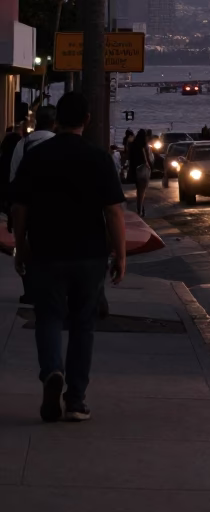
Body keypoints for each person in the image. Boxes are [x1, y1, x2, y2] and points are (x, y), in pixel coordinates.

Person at [10, 91, 126, 423]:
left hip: (46, 251)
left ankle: (51, 372)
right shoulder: (98, 158)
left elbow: (20, 208)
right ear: (87, 120)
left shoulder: (37, 155)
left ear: (57, 119)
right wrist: (121, 254)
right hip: (89, 254)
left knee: (47, 317)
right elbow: (114, 212)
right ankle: (75, 400)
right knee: (82, 324)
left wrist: (21, 245)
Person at [9, 106, 56, 182]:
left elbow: (13, 175)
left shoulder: (22, 143)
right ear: (55, 123)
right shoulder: (58, 144)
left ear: (36, 121)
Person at [129, 129, 153, 217]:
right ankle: (140, 209)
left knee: (138, 191)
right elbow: (148, 159)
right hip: (143, 169)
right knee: (142, 191)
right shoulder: (144, 146)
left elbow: (130, 158)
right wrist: (149, 165)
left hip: (135, 170)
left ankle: (140, 208)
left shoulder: (133, 145)